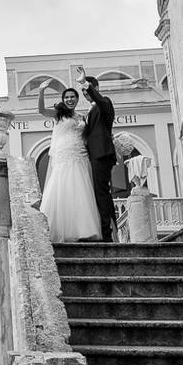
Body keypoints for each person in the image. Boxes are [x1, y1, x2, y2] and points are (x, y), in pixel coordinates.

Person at [35, 81, 102, 242]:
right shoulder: (59, 114)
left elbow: (88, 136)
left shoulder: (81, 117)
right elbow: (42, 110)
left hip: (80, 153)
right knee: (62, 187)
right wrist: (41, 91)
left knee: (81, 189)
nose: (70, 99)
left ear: (77, 99)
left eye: (72, 97)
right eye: (67, 97)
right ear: (63, 99)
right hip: (64, 153)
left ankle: (84, 230)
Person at [77, 66, 118, 242]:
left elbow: (98, 99)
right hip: (93, 155)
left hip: (102, 155)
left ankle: (108, 234)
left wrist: (85, 83)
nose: (85, 94)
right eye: (83, 92)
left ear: (95, 88)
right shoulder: (91, 110)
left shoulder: (105, 103)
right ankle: (104, 231)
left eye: (87, 91)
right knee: (98, 193)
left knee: (101, 193)